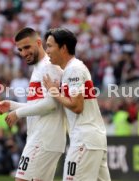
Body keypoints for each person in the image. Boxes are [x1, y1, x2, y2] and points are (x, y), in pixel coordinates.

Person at [0, 27, 67, 181]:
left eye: (27, 47)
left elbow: (51, 104)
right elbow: (40, 106)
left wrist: (17, 114)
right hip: (44, 137)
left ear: (39, 43)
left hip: (44, 138)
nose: (23, 53)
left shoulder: (48, 66)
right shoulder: (38, 68)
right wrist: (12, 106)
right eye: (20, 49)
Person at [43, 28, 111, 181]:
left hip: (84, 139)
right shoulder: (73, 69)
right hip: (93, 139)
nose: (47, 51)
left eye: (50, 46)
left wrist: (54, 92)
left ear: (64, 48)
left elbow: (77, 106)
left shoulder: (73, 70)